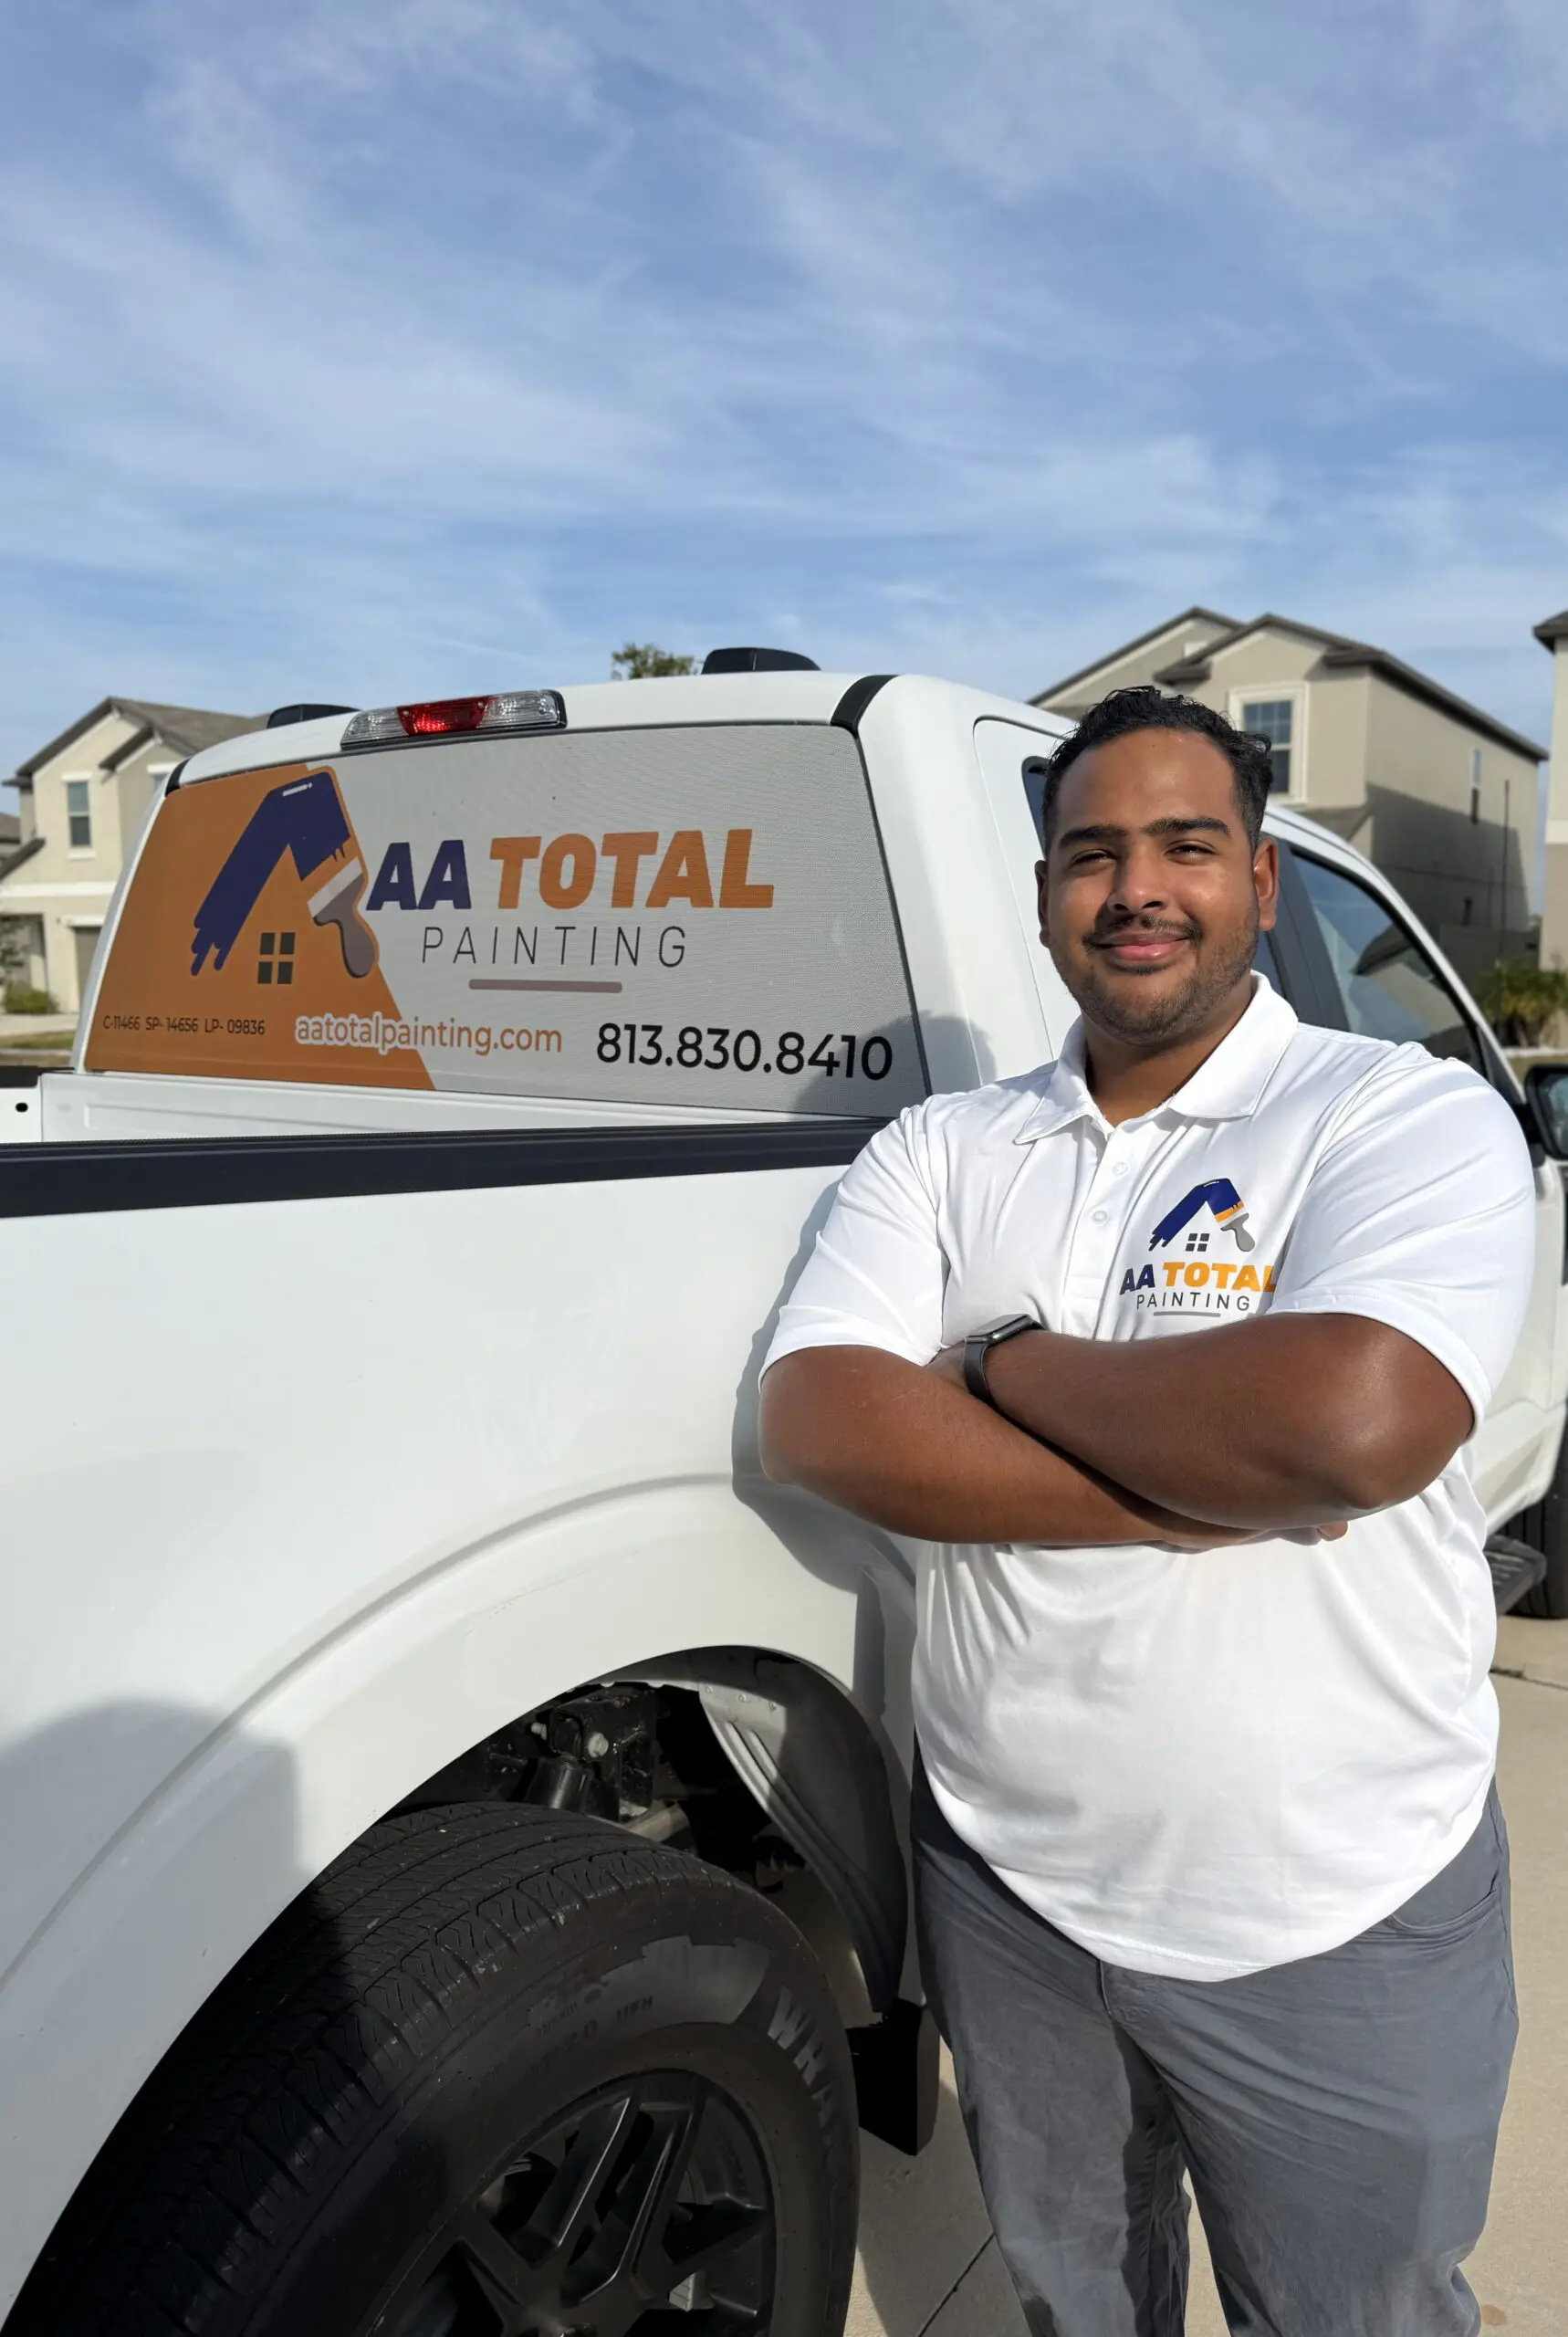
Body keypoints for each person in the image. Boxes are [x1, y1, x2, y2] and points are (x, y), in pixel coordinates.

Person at [758, 686, 1534, 2337]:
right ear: (1041, 898)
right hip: (1009, 1886)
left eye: (1186, 845)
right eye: (1089, 854)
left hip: (1334, 1905)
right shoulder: (946, 1144)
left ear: (1261, 881)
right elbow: (822, 1412)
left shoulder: (1392, 1112)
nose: (1135, 889)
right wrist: (1188, 1496)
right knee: (1078, 2306)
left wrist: (1004, 1359)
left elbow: (1353, 1420)